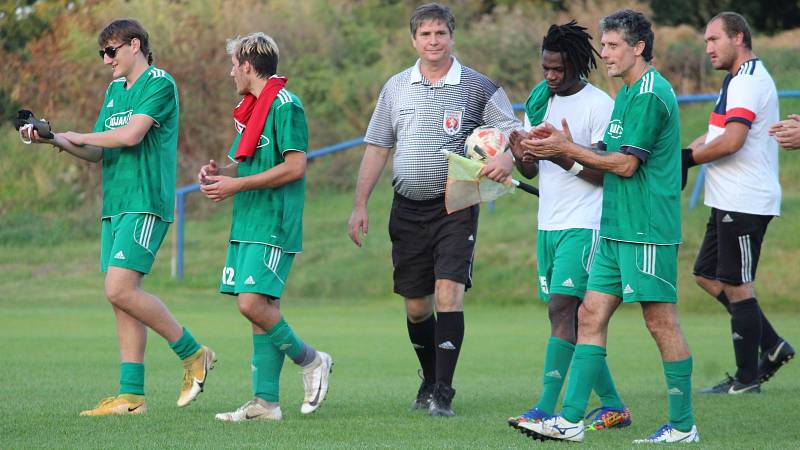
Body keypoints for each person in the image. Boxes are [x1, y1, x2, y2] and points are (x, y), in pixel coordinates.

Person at [518, 10, 699, 443]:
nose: (605, 53)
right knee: (589, 314)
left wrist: (567, 148)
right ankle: (571, 420)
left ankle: (683, 425)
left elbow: (623, 162)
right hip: (616, 229)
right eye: (603, 45)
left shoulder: (652, 95)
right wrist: (556, 148)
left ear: (638, 48)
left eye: (613, 45)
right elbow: (603, 149)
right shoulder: (626, 94)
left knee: (661, 325)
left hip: (647, 229)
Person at [19, 18, 215, 416]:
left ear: (135, 45)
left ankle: (194, 353)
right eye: (102, 53)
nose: (106, 60)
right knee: (121, 300)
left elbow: (130, 136)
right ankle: (131, 397)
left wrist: (78, 134)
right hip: (116, 205)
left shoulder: (160, 83)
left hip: (145, 202)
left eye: (111, 51)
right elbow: (96, 151)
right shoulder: (113, 91)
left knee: (120, 288)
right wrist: (53, 139)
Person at [347, 3, 519, 417]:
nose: (433, 41)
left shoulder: (477, 86)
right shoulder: (396, 87)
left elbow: (513, 130)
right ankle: (428, 378)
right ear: (414, 40)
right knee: (416, 305)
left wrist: (508, 157)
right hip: (406, 207)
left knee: (448, 294)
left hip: (455, 205)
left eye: (440, 33)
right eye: (425, 35)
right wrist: (359, 205)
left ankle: (443, 391)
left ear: (452, 37)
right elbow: (377, 147)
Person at [198, 32, 332, 422]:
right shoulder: (251, 107)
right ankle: (266, 403)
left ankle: (311, 360)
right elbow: (254, 161)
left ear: (248, 66)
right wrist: (220, 173)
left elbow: (294, 167)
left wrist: (235, 185)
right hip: (249, 220)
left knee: (251, 304)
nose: (230, 73)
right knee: (261, 309)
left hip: (273, 221)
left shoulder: (286, 106)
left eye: (233, 65)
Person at [505, 21, 631, 433]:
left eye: (558, 69)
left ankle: (544, 408)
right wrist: (521, 152)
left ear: (577, 64)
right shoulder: (540, 98)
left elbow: (602, 173)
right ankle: (613, 406)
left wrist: (564, 154)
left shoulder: (600, 106)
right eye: (545, 68)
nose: (550, 76)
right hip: (550, 224)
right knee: (567, 316)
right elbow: (533, 168)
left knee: (563, 307)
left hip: (586, 223)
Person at [684, 12, 793, 394]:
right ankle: (773, 344)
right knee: (706, 275)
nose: (708, 48)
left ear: (739, 38)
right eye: (706, 42)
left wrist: (690, 160)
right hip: (727, 198)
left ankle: (747, 379)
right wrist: (684, 154)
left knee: (737, 284)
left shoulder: (747, 82)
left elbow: (732, 142)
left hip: (746, 200)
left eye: (714, 40)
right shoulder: (735, 81)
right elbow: (715, 133)